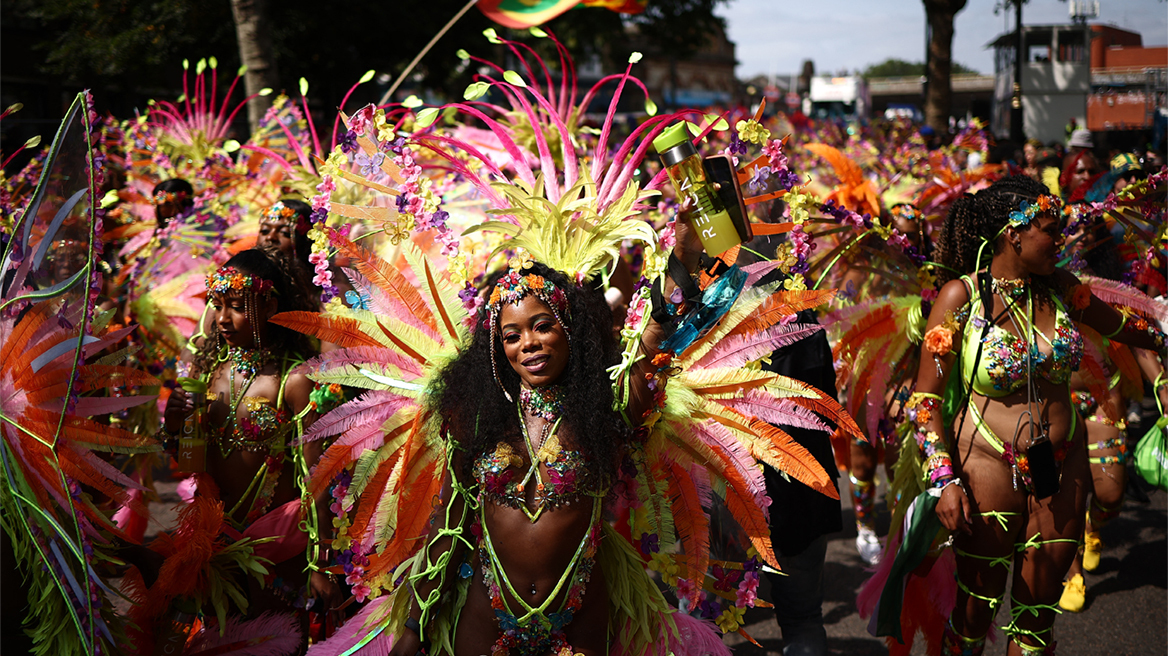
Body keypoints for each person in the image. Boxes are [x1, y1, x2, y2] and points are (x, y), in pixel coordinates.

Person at [909, 175, 1165, 654]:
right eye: (1050, 229)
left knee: (1037, 621)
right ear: (1015, 233)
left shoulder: (1063, 289)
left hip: (1061, 469)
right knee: (972, 615)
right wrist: (943, 480)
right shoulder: (962, 299)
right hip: (985, 465)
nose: (1060, 240)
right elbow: (924, 401)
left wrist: (1163, 329)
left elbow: (1125, 328)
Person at [136, 248, 340, 650]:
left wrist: (321, 563)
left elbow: (320, 480)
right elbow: (191, 464)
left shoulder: (294, 381)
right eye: (218, 306)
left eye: (236, 307)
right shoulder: (210, 374)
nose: (223, 319)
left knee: (271, 642)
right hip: (216, 543)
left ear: (270, 306)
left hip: (278, 548)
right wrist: (176, 427)